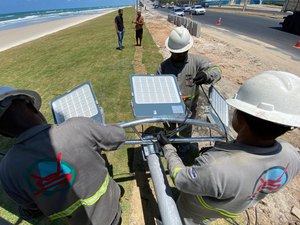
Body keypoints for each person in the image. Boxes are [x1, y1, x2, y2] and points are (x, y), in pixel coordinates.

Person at [157, 71, 300, 225]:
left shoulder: (215, 168)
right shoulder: (292, 155)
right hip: (230, 207)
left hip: (194, 211)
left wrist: (168, 148)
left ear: (239, 117)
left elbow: (180, 179)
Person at [0, 86, 126, 225]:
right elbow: (118, 137)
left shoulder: (7, 170)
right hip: (112, 212)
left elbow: (30, 205)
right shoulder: (78, 127)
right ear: (32, 107)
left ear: (4, 133)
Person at [157, 26, 221, 161]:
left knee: (186, 131)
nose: (180, 55)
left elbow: (216, 70)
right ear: (170, 50)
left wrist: (207, 75)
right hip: (168, 109)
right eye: (176, 53)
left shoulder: (197, 62)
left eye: (183, 52)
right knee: (169, 130)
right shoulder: (163, 67)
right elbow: (156, 88)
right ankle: (171, 147)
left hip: (188, 109)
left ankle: (184, 148)